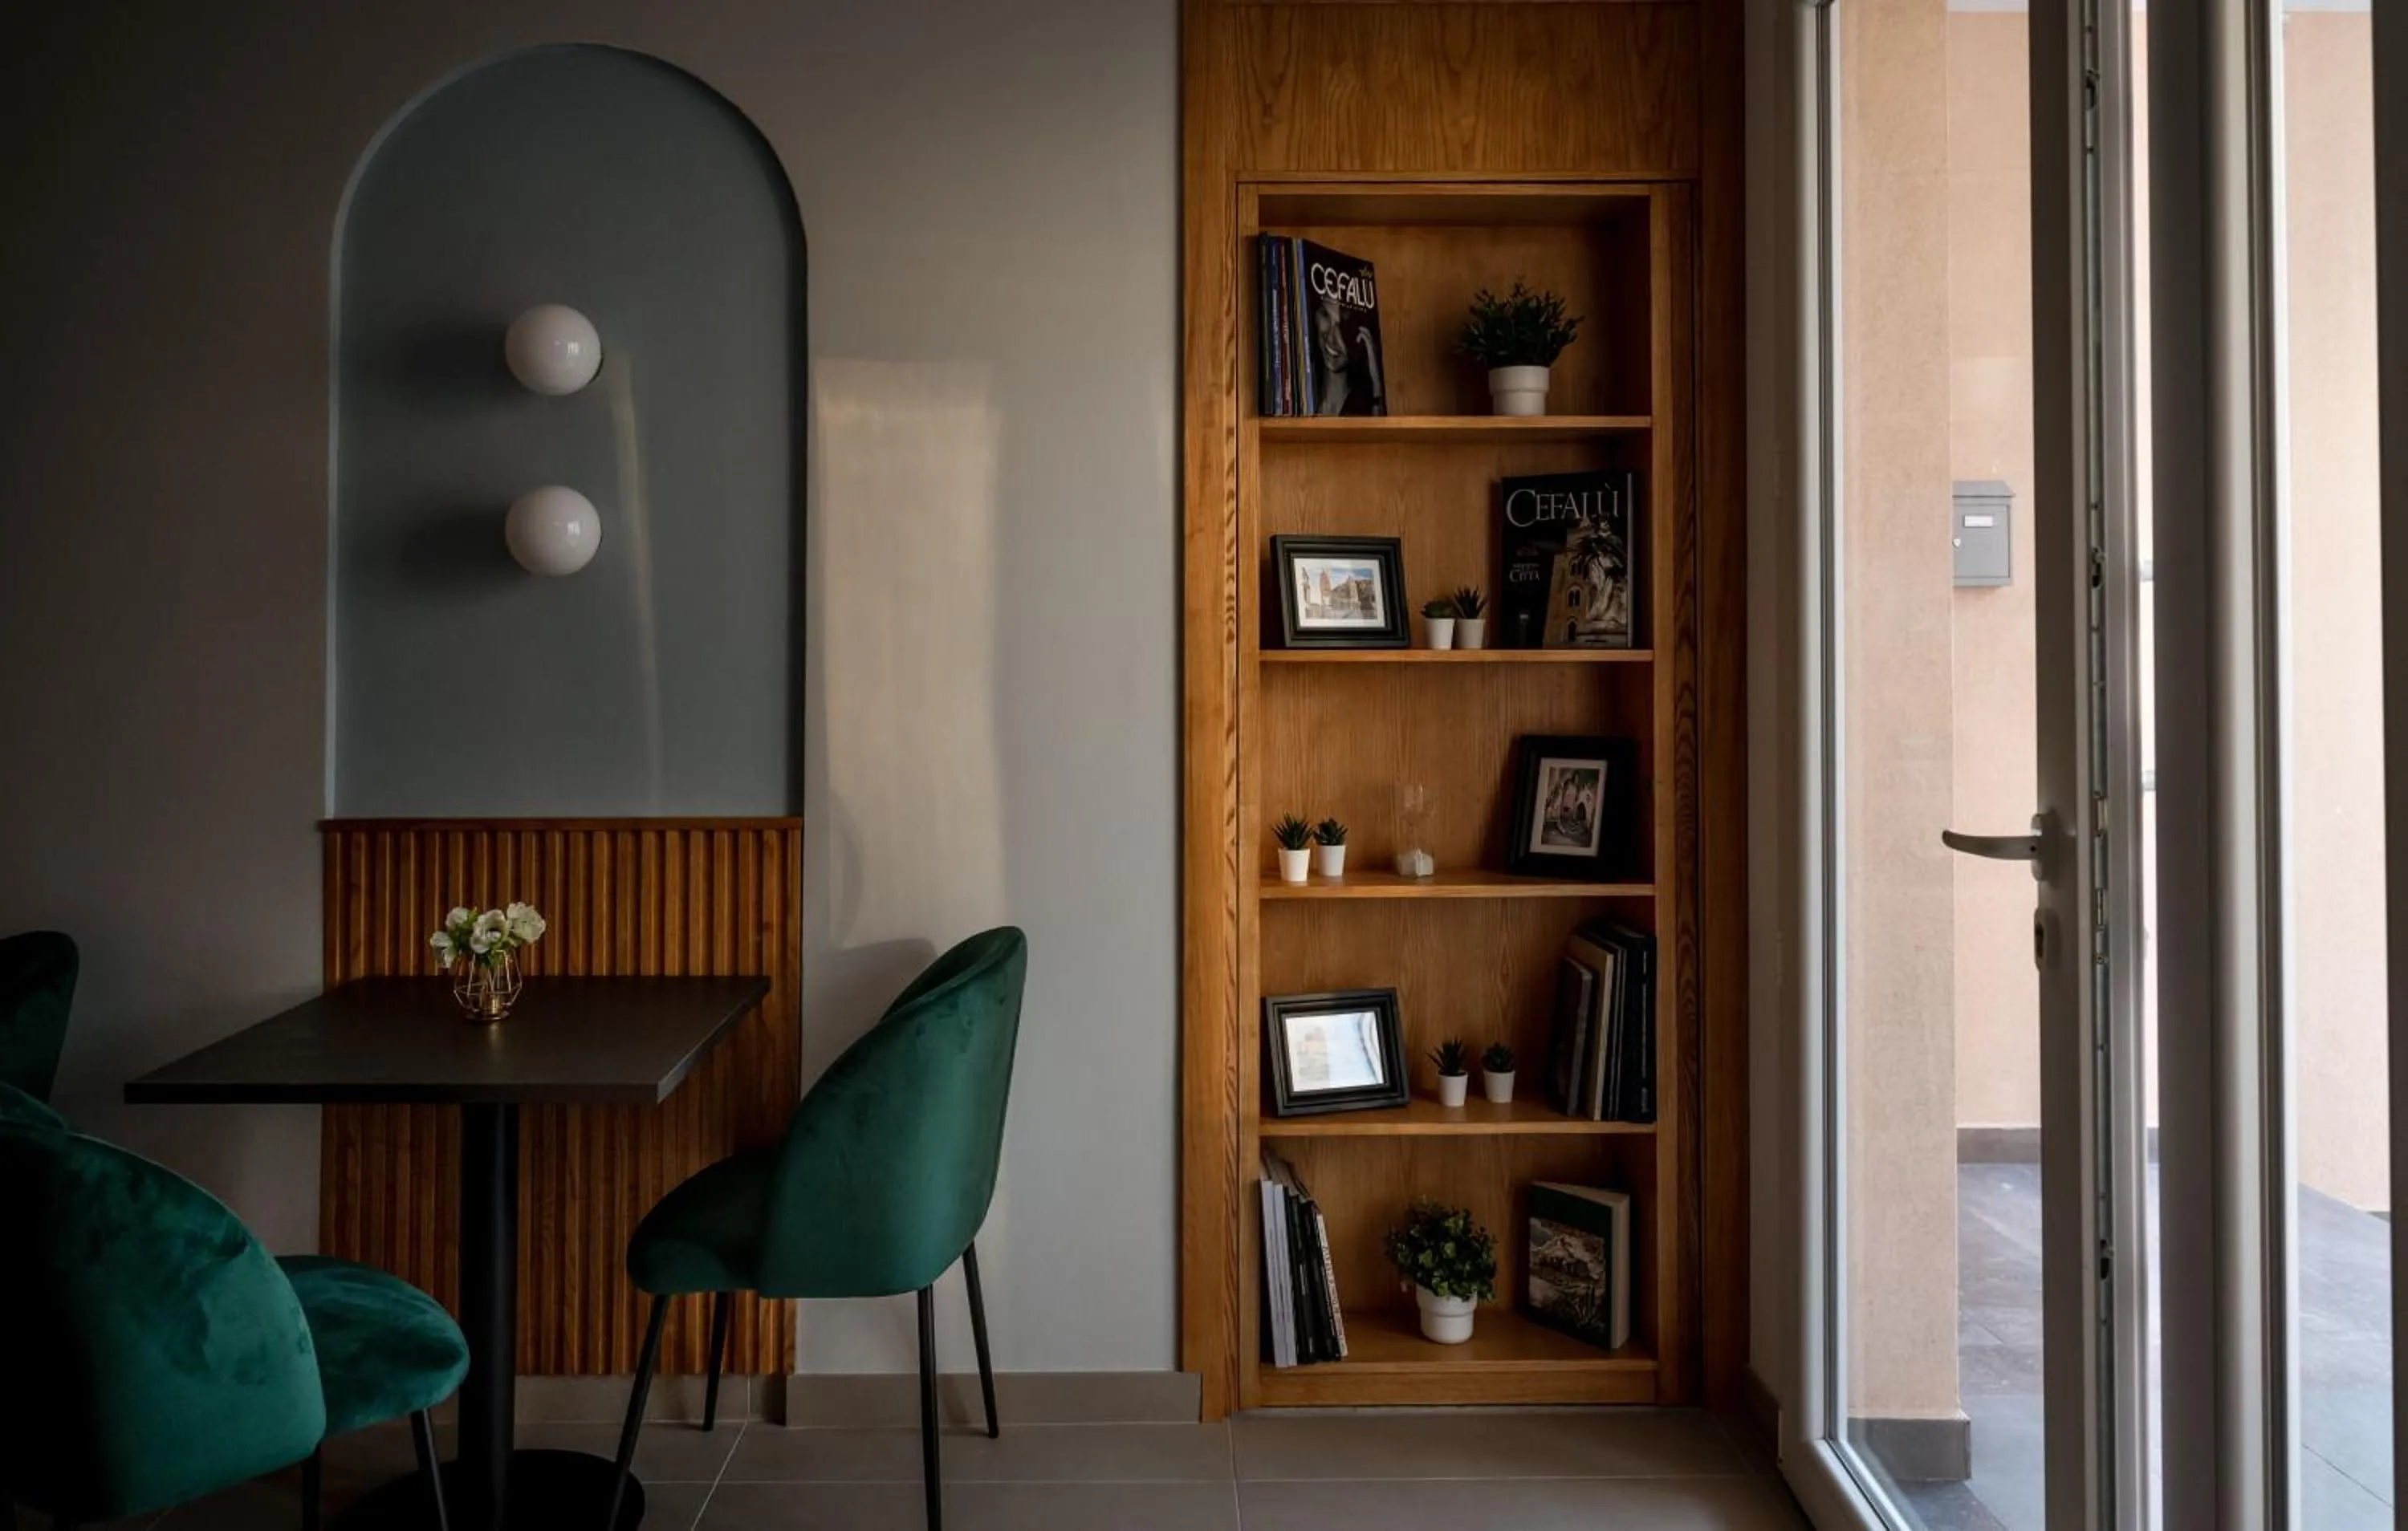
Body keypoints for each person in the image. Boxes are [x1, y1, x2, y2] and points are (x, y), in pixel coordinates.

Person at [1311, 295, 1385, 416]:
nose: (1331, 338)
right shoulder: (1305, 396)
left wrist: (1376, 384)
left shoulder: (1363, 406)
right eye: (1325, 315)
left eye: (1343, 324)